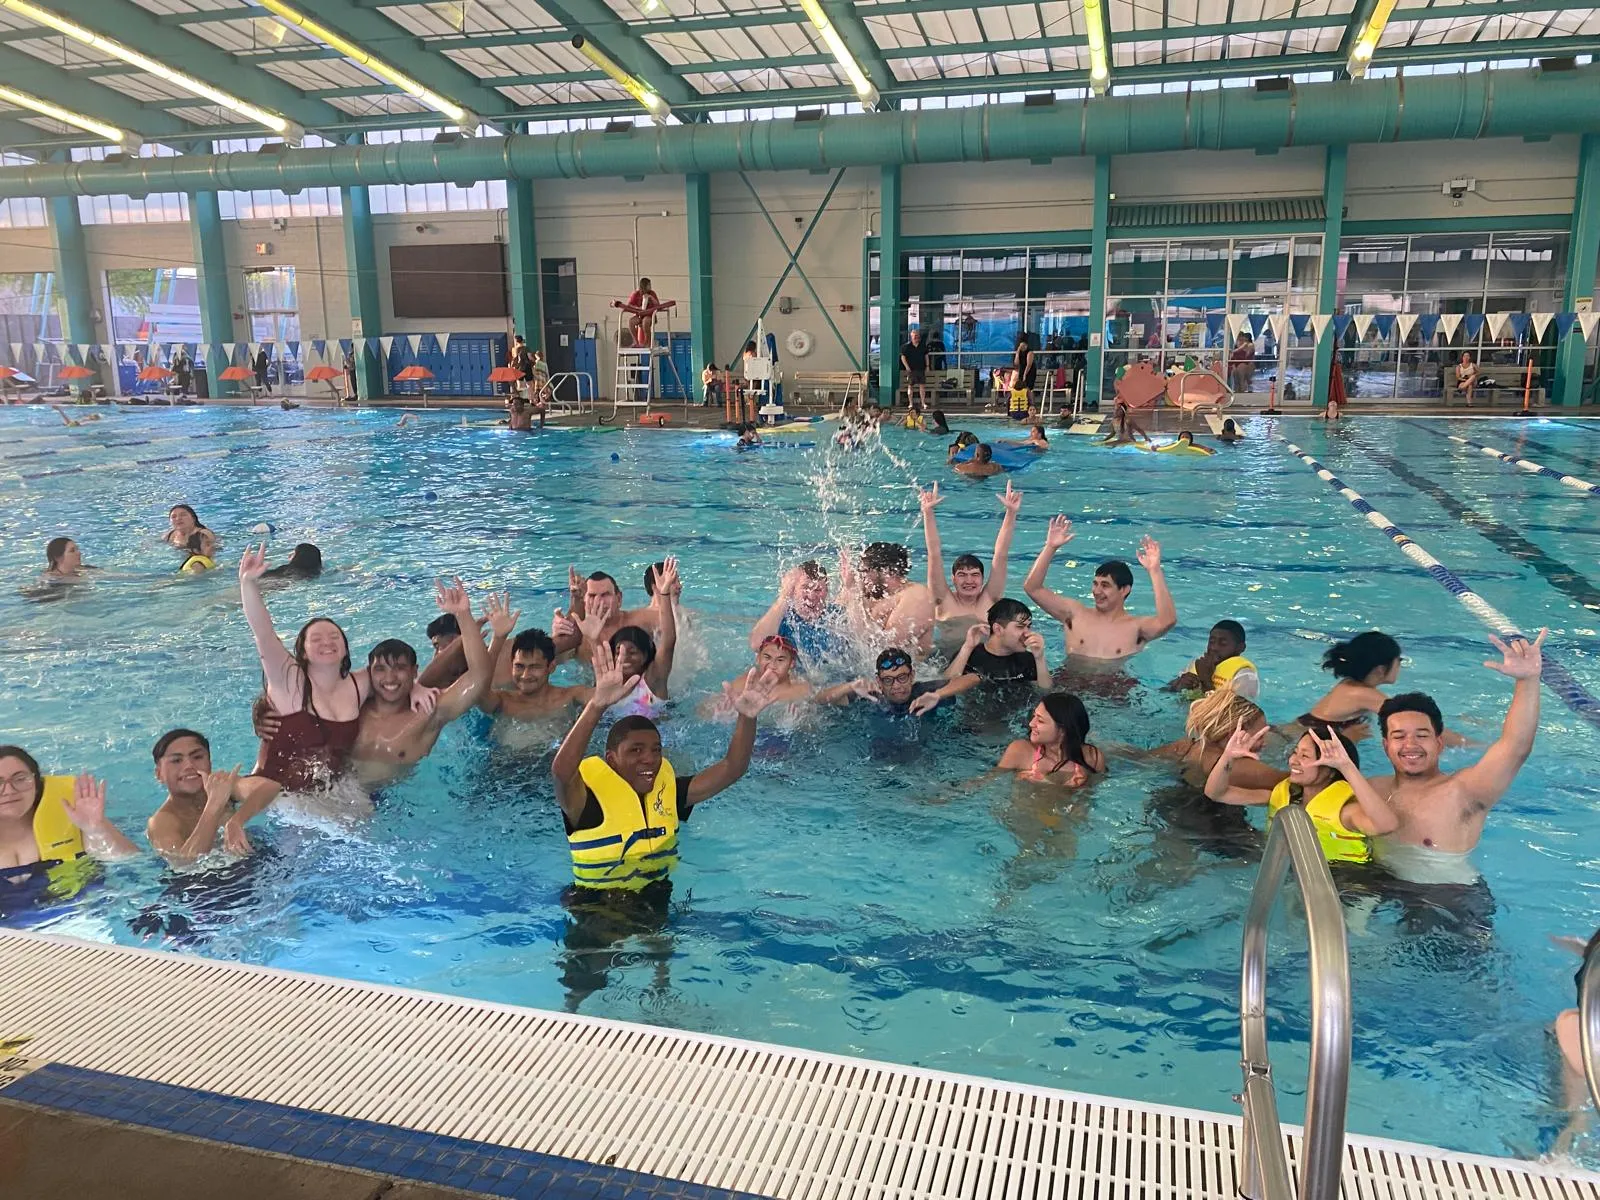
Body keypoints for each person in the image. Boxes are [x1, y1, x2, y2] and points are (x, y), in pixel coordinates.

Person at [225, 545, 436, 849]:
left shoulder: (356, 684)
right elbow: (263, 632)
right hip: (280, 793)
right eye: (317, 638)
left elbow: (390, 676)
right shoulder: (289, 680)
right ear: (303, 650)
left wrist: (417, 686)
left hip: (333, 787)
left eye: (334, 636)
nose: (327, 642)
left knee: (371, 833)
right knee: (344, 842)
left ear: (346, 648)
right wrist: (248, 584)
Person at [1373, 631, 1544, 880]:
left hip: (1449, 898)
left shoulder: (1463, 791)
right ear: (1386, 745)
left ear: (1439, 743)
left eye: (1422, 735)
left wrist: (1528, 681)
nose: (1410, 745)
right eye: (1399, 736)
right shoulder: (1370, 789)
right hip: (1383, 882)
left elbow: (1516, 747)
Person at [351, 583, 511, 788]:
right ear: (369, 672)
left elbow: (478, 677)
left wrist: (463, 615)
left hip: (382, 802)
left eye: (399, 668)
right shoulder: (354, 705)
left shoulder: (428, 712)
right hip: (335, 791)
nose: (390, 677)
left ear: (414, 671)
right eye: (380, 669)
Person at [1204, 721, 1398, 864]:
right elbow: (1216, 793)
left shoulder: (1347, 812)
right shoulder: (1283, 796)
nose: (1293, 761)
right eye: (1295, 752)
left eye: (1304, 756)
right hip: (1292, 873)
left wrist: (1346, 766)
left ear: (1330, 769)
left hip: (1348, 888)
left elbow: (1387, 825)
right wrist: (1228, 757)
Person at [1023, 518, 1176, 659]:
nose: (1096, 591)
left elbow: (1167, 621)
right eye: (1095, 584)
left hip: (1114, 686)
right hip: (1069, 684)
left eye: (1105, 585)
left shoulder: (1136, 628)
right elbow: (1033, 588)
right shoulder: (1074, 614)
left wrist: (1154, 570)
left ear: (1124, 590)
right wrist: (1050, 547)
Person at [0, 746, 136, 875]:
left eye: (20, 779)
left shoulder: (73, 813)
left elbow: (130, 863)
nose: (9, 791)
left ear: (36, 784)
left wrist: (95, 829)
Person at [573, 559, 680, 717]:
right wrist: (592, 638)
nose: (624, 657)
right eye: (619, 652)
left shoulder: (654, 681)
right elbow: (601, 658)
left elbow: (669, 641)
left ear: (645, 656)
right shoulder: (607, 685)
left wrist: (664, 594)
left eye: (632, 652)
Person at [920, 480, 1021, 642]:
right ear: (953, 579)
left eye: (974, 574)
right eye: (962, 575)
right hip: (948, 661)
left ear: (982, 578)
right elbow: (934, 554)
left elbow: (1001, 554)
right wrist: (928, 512)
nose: (969, 580)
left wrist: (1011, 513)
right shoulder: (943, 599)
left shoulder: (989, 599)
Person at [145, 729, 243, 865]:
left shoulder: (224, 787)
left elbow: (269, 787)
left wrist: (238, 820)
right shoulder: (161, 822)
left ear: (210, 763)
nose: (189, 765)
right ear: (159, 774)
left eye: (197, 757)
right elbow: (185, 866)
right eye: (176, 760)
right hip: (206, 884)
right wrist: (214, 807)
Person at [1297, 630, 1403, 738]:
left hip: (1298, 731)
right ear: (1381, 669)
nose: (1400, 666)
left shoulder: (1350, 684)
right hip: (1296, 738)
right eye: (1399, 660)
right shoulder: (1363, 694)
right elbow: (1407, 719)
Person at [481, 627, 594, 727]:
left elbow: (604, 696)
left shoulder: (571, 696)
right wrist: (498, 639)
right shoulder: (502, 701)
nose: (525, 675)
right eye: (519, 666)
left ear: (551, 667)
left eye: (534, 667)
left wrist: (594, 641)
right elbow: (479, 690)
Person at [816, 648, 979, 716]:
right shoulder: (871, 697)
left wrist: (939, 695)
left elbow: (973, 678)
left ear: (912, 676)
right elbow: (817, 700)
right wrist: (849, 687)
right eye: (888, 680)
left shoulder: (924, 692)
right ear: (878, 681)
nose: (896, 686)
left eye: (902, 677)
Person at [842, 542, 936, 657]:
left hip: (910, 671)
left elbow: (880, 650)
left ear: (887, 571)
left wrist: (853, 592)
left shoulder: (917, 596)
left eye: (865, 571)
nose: (861, 577)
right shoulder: (876, 593)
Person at [748, 559, 847, 665]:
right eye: (805, 588)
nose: (811, 596)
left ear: (826, 591)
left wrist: (850, 588)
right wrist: (783, 597)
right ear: (793, 590)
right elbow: (757, 645)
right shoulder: (783, 618)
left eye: (818, 590)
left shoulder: (836, 616)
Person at [993, 693, 1105, 784]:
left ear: (1062, 730)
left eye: (1040, 720)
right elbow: (990, 783)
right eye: (1034, 716)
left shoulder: (1092, 757)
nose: (1031, 724)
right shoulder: (1020, 751)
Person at [943, 599, 1050, 688]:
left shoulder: (1028, 660)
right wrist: (967, 647)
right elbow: (945, 688)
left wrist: (1040, 658)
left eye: (1029, 626)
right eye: (1020, 627)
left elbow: (1044, 693)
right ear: (998, 629)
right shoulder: (969, 656)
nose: (1027, 633)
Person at [703, 635, 812, 717]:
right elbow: (703, 710)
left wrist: (801, 723)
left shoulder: (801, 690)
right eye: (767, 657)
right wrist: (718, 715)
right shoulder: (744, 684)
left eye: (780, 660)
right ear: (758, 658)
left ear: (791, 663)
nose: (772, 665)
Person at [1168, 619, 1258, 698]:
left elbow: (1236, 713)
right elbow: (1164, 691)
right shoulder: (1199, 664)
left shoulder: (1245, 676)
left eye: (1223, 643)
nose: (1214, 647)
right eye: (1211, 642)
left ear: (1241, 648)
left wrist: (1207, 682)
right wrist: (1178, 686)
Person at [623, 278, 662, 348]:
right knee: (631, 321)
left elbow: (658, 305)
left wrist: (651, 298)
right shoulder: (636, 294)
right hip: (640, 315)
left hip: (650, 315)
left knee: (645, 321)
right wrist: (638, 308)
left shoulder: (652, 293)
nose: (650, 287)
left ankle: (647, 342)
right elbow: (629, 305)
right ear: (644, 286)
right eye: (649, 285)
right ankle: (636, 342)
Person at [1008, 336, 1037, 420]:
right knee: (1021, 388)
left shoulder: (1030, 352)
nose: (1022, 347)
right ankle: (1024, 407)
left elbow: (1029, 365)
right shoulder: (1020, 352)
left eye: (1024, 346)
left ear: (1027, 345)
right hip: (1022, 370)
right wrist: (1017, 352)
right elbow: (1016, 363)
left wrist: (1025, 375)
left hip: (1030, 372)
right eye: (1021, 346)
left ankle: (1031, 407)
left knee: (1028, 388)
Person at [900, 328, 929, 409]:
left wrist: (927, 366)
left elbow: (926, 356)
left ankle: (923, 403)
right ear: (911, 336)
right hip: (911, 370)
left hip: (921, 369)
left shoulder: (923, 346)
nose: (916, 337)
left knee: (922, 386)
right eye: (914, 336)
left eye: (917, 336)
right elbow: (903, 357)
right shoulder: (906, 347)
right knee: (910, 386)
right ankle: (911, 403)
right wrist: (907, 366)